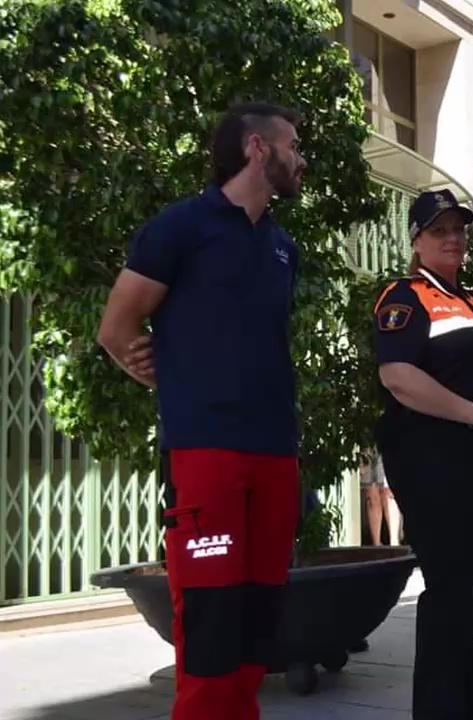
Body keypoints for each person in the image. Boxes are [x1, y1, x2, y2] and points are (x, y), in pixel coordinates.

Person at [97, 103, 307, 720]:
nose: (301, 158)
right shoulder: (181, 227)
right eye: (292, 145)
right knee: (211, 617)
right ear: (256, 148)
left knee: (258, 615)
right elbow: (117, 326)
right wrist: (144, 364)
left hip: (274, 449)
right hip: (206, 448)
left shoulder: (281, 247)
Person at [372, 189, 473, 720]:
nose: (454, 238)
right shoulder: (404, 296)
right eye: (440, 230)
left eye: (459, 229)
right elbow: (397, 377)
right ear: (416, 240)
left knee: (462, 588)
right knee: (450, 588)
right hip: (433, 459)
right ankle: (441, 709)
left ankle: (471, 701)